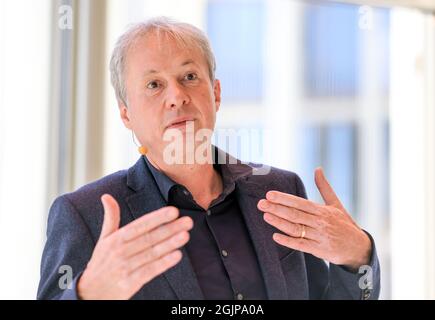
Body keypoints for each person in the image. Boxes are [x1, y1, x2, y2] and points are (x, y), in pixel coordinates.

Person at [37, 17, 380, 300]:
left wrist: (358, 258)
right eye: (154, 85)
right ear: (126, 114)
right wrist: (86, 295)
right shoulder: (84, 215)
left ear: (215, 93)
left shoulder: (281, 189)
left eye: (189, 77)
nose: (176, 97)